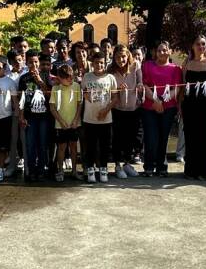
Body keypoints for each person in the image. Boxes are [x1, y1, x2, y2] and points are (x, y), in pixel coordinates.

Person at [141, 41, 183, 177]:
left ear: (169, 51)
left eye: (165, 50)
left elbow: (176, 89)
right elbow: (144, 85)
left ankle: (161, 166)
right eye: (159, 50)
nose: (162, 53)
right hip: (149, 106)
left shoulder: (176, 69)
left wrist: (163, 102)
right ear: (155, 53)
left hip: (168, 107)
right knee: (150, 138)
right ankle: (148, 166)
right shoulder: (147, 65)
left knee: (163, 138)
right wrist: (155, 100)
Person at [180, 36, 206, 179]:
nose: (201, 46)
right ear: (193, 46)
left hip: (204, 105)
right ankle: (191, 170)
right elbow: (182, 87)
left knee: (204, 137)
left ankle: (204, 170)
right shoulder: (186, 63)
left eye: (203, 44)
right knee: (190, 136)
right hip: (189, 104)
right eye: (198, 44)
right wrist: (180, 106)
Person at [81, 50, 118, 183]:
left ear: (105, 63)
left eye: (101, 63)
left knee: (105, 146)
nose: (99, 65)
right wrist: (86, 95)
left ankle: (103, 168)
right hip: (89, 118)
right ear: (92, 63)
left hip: (106, 119)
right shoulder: (87, 77)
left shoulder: (110, 78)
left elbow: (115, 97)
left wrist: (106, 110)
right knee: (89, 146)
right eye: (96, 63)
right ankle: (90, 169)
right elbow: (83, 92)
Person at [18, 50, 52, 182]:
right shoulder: (24, 78)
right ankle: (31, 170)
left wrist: (39, 80)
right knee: (30, 145)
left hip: (44, 116)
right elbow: (21, 98)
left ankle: (41, 170)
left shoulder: (47, 76)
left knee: (43, 144)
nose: (34, 64)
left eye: (36, 62)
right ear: (26, 63)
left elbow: (49, 94)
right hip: (30, 116)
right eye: (31, 62)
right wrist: (21, 116)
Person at [109, 44, 142, 179]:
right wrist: (117, 89)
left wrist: (139, 85)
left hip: (133, 108)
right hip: (118, 109)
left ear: (128, 55)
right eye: (118, 57)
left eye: (123, 56)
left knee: (131, 137)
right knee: (117, 138)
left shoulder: (136, 66)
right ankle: (117, 165)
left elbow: (140, 81)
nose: (121, 60)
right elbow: (108, 89)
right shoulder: (110, 70)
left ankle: (127, 163)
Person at [49, 65, 82, 182]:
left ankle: (74, 170)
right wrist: (61, 121)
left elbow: (79, 104)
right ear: (60, 78)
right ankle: (60, 171)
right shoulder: (56, 89)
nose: (70, 79)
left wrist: (75, 120)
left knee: (73, 147)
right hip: (60, 125)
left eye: (71, 77)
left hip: (74, 124)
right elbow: (52, 107)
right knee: (61, 147)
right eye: (67, 78)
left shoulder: (77, 86)